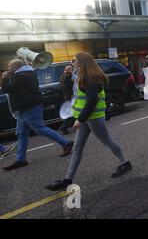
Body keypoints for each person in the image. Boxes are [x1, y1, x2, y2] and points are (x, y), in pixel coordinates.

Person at [45, 52, 132, 191]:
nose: (72, 62)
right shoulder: (78, 75)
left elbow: (92, 100)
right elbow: (69, 91)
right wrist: (67, 75)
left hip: (94, 117)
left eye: (74, 60)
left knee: (107, 142)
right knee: (77, 148)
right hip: (85, 117)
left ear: (82, 62)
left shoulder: (92, 77)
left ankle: (125, 162)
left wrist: (80, 119)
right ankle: (67, 179)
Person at [1, 59, 73, 171]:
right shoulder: (28, 72)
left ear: (15, 67)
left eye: (10, 67)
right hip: (24, 108)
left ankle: (66, 143)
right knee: (21, 133)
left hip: (29, 107)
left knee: (39, 128)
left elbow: (7, 89)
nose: (8, 69)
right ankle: (20, 159)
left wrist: (4, 77)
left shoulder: (20, 75)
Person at [59, 64, 76, 134]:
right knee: (72, 114)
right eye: (72, 69)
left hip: (67, 97)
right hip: (70, 97)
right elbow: (70, 88)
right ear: (70, 70)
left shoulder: (63, 76)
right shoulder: (68, 77)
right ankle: (64, 126)